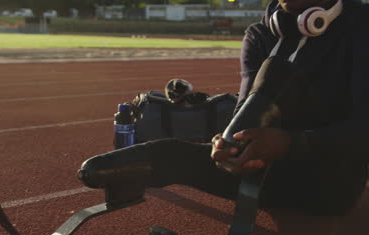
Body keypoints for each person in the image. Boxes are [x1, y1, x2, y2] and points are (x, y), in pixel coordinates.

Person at [79, 0, 369, 216]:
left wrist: (291, 143)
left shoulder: (361, 27)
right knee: (158, 156)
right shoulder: (260, 34)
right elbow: (245, 109)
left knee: (276, 72)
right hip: (262, 170)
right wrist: (228, 144)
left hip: (333, 181)